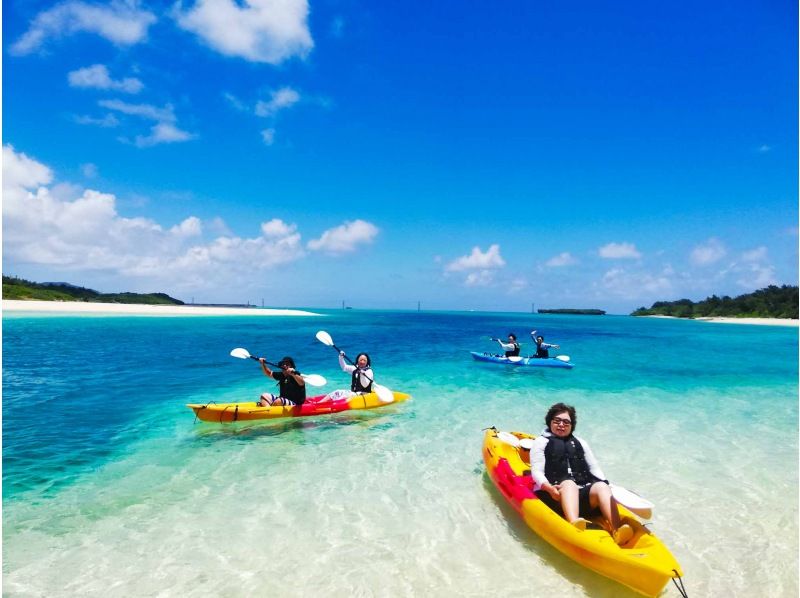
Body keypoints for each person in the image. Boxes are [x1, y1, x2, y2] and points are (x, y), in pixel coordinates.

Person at [530, 402, 633, 546]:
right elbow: (536, 471)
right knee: (569, 483)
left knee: (601, 486)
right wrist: (548, 488)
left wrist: (606, 485)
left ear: (572, 425)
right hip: (555, 495)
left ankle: (617, 530)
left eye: (566, 422)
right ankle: (574, 525)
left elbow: (594, 468)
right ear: (550, 422)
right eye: (557, 421)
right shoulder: (541, 442)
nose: (561, 425)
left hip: (581, 497)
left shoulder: (580, 443)